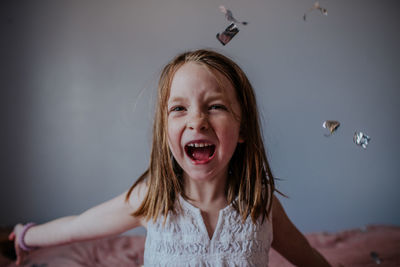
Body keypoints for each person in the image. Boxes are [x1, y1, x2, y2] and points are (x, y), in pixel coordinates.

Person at [9, 49, 331, 266]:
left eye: (215, 106)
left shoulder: (261, 204)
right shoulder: (154, 198)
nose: (197, 121)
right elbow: (80, 226)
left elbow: (306, 255)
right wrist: (26, 236)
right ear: (165, 132)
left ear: (242, 127)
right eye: (179, 109)